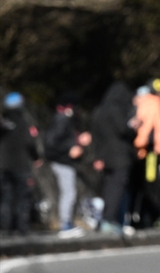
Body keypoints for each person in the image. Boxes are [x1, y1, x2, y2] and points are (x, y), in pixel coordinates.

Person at [91, 82, 138, 234]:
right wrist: (134, 127)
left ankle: (106, 219)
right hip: (120, 156)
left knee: (108, 188)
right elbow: (123, 129)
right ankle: (110, 220)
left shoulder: (98, 111)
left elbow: (95, 136)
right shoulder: (117, 110)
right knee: (117, 189)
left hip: (104, 156)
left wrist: (97, 156)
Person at [44, 92, 92, 237]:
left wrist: (79, 142)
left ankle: (68, 223)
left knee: (70, 192)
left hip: (65, 162)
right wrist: (70, 149)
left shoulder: (66, 120)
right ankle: (65, 225)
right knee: (68, 193)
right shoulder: (62, 119)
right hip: (62, 161)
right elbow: (52, 143)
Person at [0, 92, 41, 236]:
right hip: (21, 165)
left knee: (6, 197)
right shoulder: (23, 122)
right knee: (23, 197)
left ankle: (5, 227)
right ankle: (22, 228)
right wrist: (36, 157)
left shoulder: (3, 122)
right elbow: (30, 143)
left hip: (4, 166)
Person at [131, 78, 160, 228]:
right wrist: (159, 147)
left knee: (140, 184)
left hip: (139, 150)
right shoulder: (155, 103)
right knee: (151, 182)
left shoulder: (140, 101)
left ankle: (140, 216)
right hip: (150, 150)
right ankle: (152, 216)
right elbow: (155, 127)